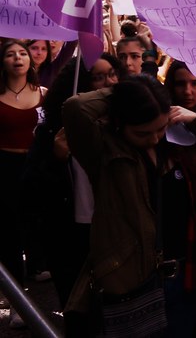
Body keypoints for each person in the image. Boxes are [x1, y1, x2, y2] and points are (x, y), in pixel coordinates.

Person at [62, 75, 196, 337]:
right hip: (135, 280)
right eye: (142, 133)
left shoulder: (180, 142)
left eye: (160, 128)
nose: (154, 139)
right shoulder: (104, 149)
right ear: (120, 123)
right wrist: (134, 90)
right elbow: (74, 108)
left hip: (190, 273)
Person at [25, 53, 123, 336]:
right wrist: (56, 159)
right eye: (98, 77)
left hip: (114, 231)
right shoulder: (52, 133)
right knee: (80, 313)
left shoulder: (125, 127)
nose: (108, 83)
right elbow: (31, 191)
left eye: (112, 74)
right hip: (70, 236)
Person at [0, 39, 46, 327]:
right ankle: (19, 302)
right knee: (9, 235)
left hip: (37, 169)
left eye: (22, 53)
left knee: (37, 230)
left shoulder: (45, 94)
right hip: (4, 169)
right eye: (10, 54)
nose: (18, 58)